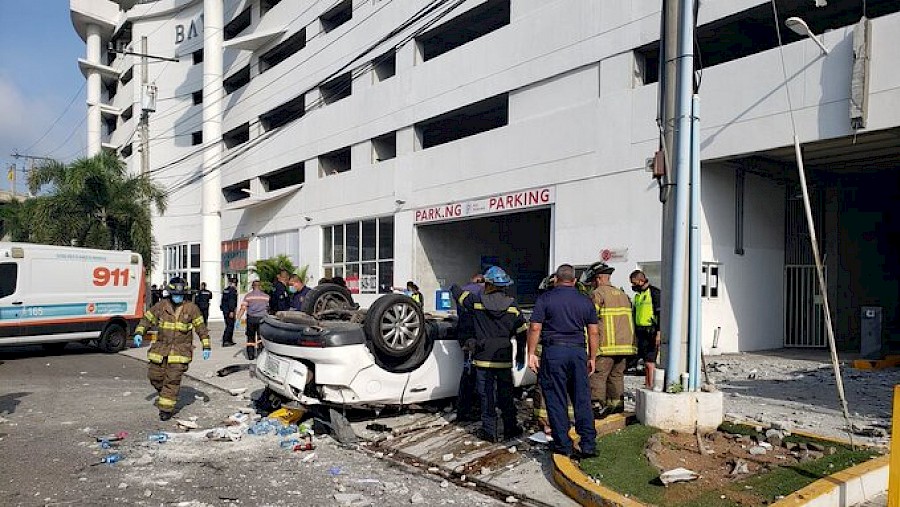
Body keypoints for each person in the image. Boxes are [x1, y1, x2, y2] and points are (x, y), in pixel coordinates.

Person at [527, 264, 600, 459]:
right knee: (582, 399)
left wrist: (531, 353)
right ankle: (588, 445)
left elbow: (535, 327)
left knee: (556, 399)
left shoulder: (545, 299)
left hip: (554, 352)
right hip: (577, 352)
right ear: (574, 280)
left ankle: (563, 444)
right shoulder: (585, 301)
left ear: (556, 279)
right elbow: (593, 331)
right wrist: (592, 357)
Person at [450, 266, 527, 442]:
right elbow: (522, 332)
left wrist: (474, 281)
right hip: (504, 358)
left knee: (487, 397)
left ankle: (489, 432)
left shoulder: (477, 301)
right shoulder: (513, 306)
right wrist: (520, 355)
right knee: (506, 395)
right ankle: (510, 428)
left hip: (483, 358)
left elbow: (456, 292)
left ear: (488, 283)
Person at [132, 277, 210, 421]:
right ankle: (167, 394)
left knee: (172, 380)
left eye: (180, 295)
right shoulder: (161, 306)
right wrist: (139, 333)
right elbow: (146, 320)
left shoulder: (192, 309)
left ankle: (166, 409)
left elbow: (201, 328)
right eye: (175, 294)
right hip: (160, 349)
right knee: (154, 376)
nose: (178, 297)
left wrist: (206, 345)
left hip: (180, 351)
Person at [582, 262, 636, 418]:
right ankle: (617, 406)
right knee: (616, 376)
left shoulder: (597, 294)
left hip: (606, 346)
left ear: (598, 279)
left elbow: (590, 321)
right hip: (625, 346)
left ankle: (596, 406)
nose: (591, 284)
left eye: (592, 281)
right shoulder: (622, 295)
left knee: (598, 376)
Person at [454, 273, 485, 422]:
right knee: (479, 375)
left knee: (468, 372)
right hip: (477, 337)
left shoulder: (464, 290)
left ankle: (463, 409)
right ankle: (474, 408)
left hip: (464, 337)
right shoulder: (482, 291)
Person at [630, 270, 662, 389]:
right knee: (644, 361)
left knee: (650, 362)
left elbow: (660, 314)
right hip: (640, 332)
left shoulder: (654, 293)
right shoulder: (638, 296)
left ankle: (651, 384)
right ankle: (648, 383)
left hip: (651, 331)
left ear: (641, 281)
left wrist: (658, 333)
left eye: (634, 283)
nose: (633, 286)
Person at [235, 280, 270, 360]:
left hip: (251, 319)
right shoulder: (266, 297)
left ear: (252, 287)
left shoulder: (248, 296)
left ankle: (250, 355)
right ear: (260, 286)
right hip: (262, 319)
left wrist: (238, 319)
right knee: (260, 338)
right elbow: (268, 309)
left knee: (250, 337)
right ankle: (260, 354)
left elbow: (243, 308)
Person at [220, 278, 238, 347]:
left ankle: (229, 340)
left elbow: (222, 301)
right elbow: (232, 302)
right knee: (230, 326)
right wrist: (231, 311)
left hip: (225, 310)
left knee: (228, 325)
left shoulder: (225, 290)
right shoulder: (233, 290)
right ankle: (226, 340)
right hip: (229, 311)